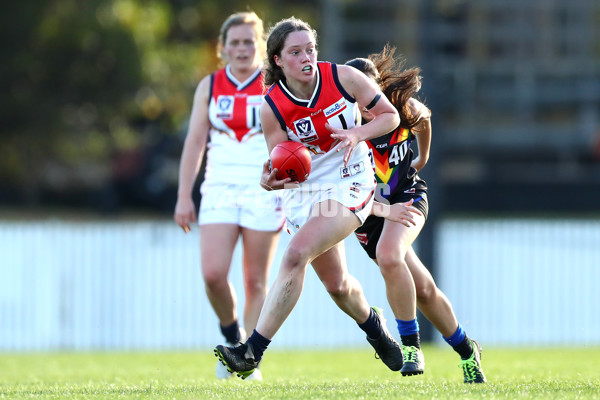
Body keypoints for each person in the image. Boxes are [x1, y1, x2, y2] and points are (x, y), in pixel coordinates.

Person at [214, 16, 406, 379]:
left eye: (310, 49)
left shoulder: (342, 78)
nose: (306, 58)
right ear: (278, 60)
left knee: (296, 254)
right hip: (307, 191)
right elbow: (283, 163)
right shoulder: (271, 106)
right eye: (296, 52)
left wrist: (357, 134)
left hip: (352, 180)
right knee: (338, 286)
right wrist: (271, 180)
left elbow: (390, 116)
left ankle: (252, 351)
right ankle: (376, 330)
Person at [345, 45, 486, 383]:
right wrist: (381, 209)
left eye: (373, 90)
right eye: (359, 92)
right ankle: (468, 350)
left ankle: (411, 348)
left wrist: (421, 158)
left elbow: (425, 117)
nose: (368, 98)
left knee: (389, 255)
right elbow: (344, 192)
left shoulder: (397, 108)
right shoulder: (344, 127)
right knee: (422, 290)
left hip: (408, 196)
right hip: (369, 214)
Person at [174, 11, 285, 381]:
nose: (241, 48)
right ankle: (231, 335)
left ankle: (246, 358)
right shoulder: (210, 85)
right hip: (219, 187)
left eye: (248, 41)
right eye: (234, 42)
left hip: (263, 188)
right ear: (223, 48)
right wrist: (184, 197)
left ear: (262, 47)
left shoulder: (273, 85)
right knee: (213, 274)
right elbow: (194, 142)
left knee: (256, 281)